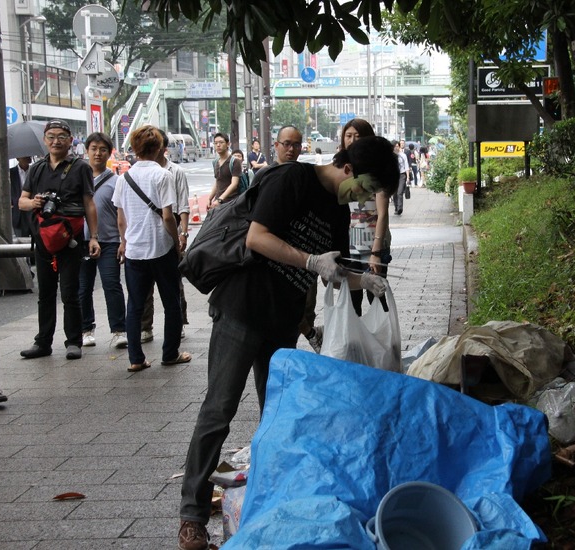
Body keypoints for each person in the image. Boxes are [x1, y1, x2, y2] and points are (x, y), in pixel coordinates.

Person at [177, 136, 399, 550]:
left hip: (283, 322)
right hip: (242, 308)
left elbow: (330, 267)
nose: (364, 198)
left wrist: (361, 281)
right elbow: (256, 238)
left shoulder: (338, 209)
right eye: (366, 188)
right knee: (219, 409)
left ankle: (268, 503)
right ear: (348, 169)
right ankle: (191, 516)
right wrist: (310, 261)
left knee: (278, 416)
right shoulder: (293, 179)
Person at [18, 120, 100, 360]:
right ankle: (43, 342)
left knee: (69, 292)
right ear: (45, 140)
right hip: (43, 239)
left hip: (70, 240)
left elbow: (89, 204)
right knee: (45, 293)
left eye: (62, 136)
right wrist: (33, 203)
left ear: (70, 140)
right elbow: (22, 200)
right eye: (51, 136)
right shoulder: (36, 168)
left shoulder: (80, 167)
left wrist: (93, 237)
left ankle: (73, 341)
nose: (56, 141)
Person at [112, 125, 190, 372]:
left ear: (134, 149)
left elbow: (121, 218)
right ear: (158, 148)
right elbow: (168, 216)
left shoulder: (124, 178)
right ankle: (170, 353)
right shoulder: (162, 175)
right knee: (171, 303)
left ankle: (136, 359)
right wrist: (176, 240)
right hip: (161, 248)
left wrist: (124, 241)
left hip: (135, 250)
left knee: (134, 305)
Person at [140, 129, 190, 343]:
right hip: (146, 234)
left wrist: (184, 233)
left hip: (171, 232)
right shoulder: (137, 172)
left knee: (173, 283)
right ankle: (145, 327)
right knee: (145, 286)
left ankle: (178, 323)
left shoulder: (175, 171)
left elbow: (183, 205)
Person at [78, 132, 127, 350]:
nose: (98, 153)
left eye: (103, 149)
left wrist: (123, 241)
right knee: (82, 288)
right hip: (81, 241)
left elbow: (122, 214)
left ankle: (119, 331)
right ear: (86, 150)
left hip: (109, 241)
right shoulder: (78, 178)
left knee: (111, 285)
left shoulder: (116, 181)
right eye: (94, 149)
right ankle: (86, 329)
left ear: (109, 152)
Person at [340, 118, 393, 317]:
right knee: (352, 303)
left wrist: (376, 252)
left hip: (373, 246)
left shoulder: (378, 170)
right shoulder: (340, 168)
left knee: (376, 299)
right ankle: (356, 346)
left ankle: (385, 344)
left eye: (358, 136)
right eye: (348, 135)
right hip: (347, 248)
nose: (352, 140)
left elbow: (383, 213)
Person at [207, 132, 242, 209]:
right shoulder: (215, 162)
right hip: (218, 203)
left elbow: (234, 184)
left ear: (228, 144)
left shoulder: (235, 162)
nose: (218, 145)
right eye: (216, 143)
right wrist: (210, 198)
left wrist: (220, 199)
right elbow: (218, 181)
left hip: (231, 203)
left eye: (221, 142)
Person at [10, 156, 33, 238]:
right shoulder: (10, 173)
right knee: (21, 238)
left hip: (32, 209)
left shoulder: (34, 171)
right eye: (25, 156)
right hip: (17, 211)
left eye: (29, 155)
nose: (28, 157)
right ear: (18, 158)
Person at [393, 141, 410, 215]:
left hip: (401, 175)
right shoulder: (390, 156)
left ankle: (400, 208)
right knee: (394, 193)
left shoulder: (403, 155)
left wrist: (408, 177)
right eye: (395, 146)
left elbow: (406, 166)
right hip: (393, 176)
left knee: (399, 192)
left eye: (397, 146)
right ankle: (396, 207)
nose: (396, 147)